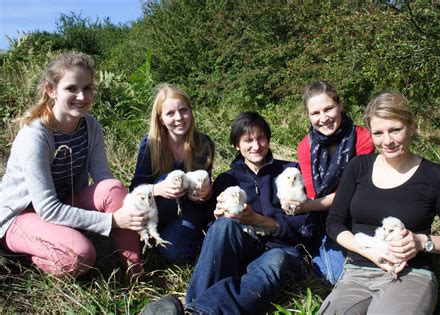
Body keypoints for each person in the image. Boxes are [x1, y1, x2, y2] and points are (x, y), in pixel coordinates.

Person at [319, 92, 440, 314]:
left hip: (411, 275)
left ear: (411, 127)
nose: (387, 141)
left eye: (395, 130)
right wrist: (372, 253)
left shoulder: (437, 177)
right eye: (378, 133)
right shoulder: (358, 167)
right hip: (357, 274)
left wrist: (422, 242)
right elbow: (334, 223)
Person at [142, 111, 310, 314]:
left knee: (273, 261)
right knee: (223, 226)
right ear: (236, 145)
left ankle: (194, 311)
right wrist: (217, 217)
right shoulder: (226, 180)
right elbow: (212, 228)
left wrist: (261, 221)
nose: (256, 146)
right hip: (242, 250)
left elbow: (307, 226)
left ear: (268, 139)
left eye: (261, 138)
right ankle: (197, 310)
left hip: (283, 251)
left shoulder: (291, 172)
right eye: (248, 140)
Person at [0, 53, 145, 278]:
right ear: (51, 90)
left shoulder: (90, 126)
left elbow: (104, 180)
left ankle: (134, 270)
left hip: (63, 204)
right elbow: (46, 208)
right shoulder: (36, 135)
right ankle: (30, 253)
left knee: (113, 187)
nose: (81, 96)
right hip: (20, 216)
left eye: (87, 88)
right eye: (71, 88)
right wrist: (111, 221)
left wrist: (128, 209)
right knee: (81, 256)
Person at [293, 80, 374, 285]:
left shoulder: (362, 137)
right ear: (308, 116)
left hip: (362, 215)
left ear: (340, 106)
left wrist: (307, 206)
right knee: (338, 279)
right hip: (327, 220)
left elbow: (361, 190)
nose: (324, 118)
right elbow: (312, 192)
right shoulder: (305, 147)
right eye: (315, 113)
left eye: (329, 109)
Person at [130, 83, 214, 263]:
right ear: (160, 119)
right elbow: (135, 188)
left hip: (191, 211)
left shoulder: (203, 144)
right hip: (159, 211)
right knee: (168, 179)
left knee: (174, 252)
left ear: (191, 112)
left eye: (183, 110)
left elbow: (207, 186)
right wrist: (158, 189)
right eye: (170, 113)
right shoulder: (150, 144)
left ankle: (201, 238)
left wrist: (205, 194)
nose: (179, 118)